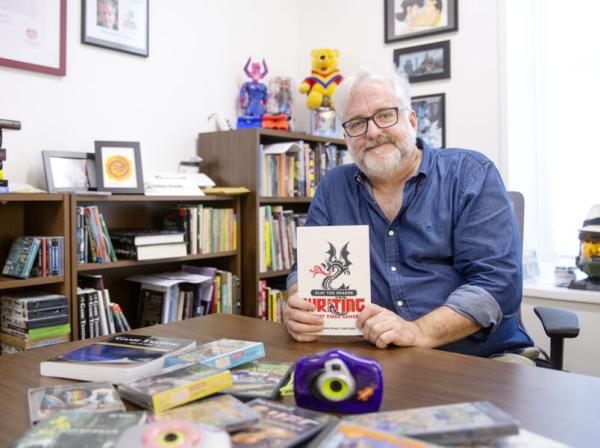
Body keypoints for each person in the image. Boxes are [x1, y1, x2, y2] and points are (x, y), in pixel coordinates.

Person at [283, 67, 533, 358]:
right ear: (347, 135)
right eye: (357, 123)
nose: (373, 132)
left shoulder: (471, 174)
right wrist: (299, 303)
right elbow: (306, 269)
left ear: (411, 119)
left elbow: (497, 283)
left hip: (476, 358)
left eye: (385, 115)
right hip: (377, 355)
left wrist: (418, 331)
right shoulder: (333, 186)